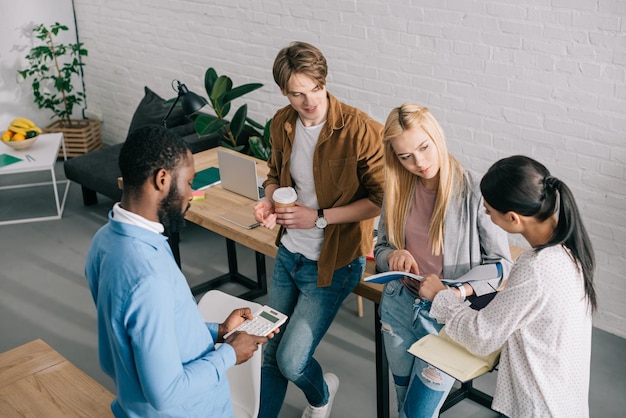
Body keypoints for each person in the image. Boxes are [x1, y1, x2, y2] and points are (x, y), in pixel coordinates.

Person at [85, 125, 273, 417]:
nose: (191, 194)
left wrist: (217, 331)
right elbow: (166, 393)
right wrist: (229, 353)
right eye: (189, 183)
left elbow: (125, 346)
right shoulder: (149, 276)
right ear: (162, 179)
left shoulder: (103, 242)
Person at [253, 41, 385, 418]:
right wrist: (266, 200)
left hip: (334, 263)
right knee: (269, 349)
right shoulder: (282, 121)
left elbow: (380, 199)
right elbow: (275, 175)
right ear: (284, 92)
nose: (309, 101)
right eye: (297, 94)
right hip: (289, 255)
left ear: (324, 82)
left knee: (292, 362)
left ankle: (322, 394)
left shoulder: (360, 130)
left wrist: (320, 217)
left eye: (315, 89)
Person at [420, 155, 596, 417]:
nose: (487, 215)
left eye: (489, 212)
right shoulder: (569, 245)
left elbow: (483, 337)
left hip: (538, 404)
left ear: (513, 218)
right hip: (564, 396)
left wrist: (440, 296)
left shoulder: (536, 267)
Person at [373, 104, 513, 418]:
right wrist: (391, 255)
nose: (418, 162)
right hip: (398, 307)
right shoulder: (397, 190)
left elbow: (501, 263)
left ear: (437, 137)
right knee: (404, 402)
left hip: (446, 317)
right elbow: (381, 248)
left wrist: (457, 292)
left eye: (423, 147)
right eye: (405, 156)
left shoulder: (475, 190)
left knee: (417, 413)